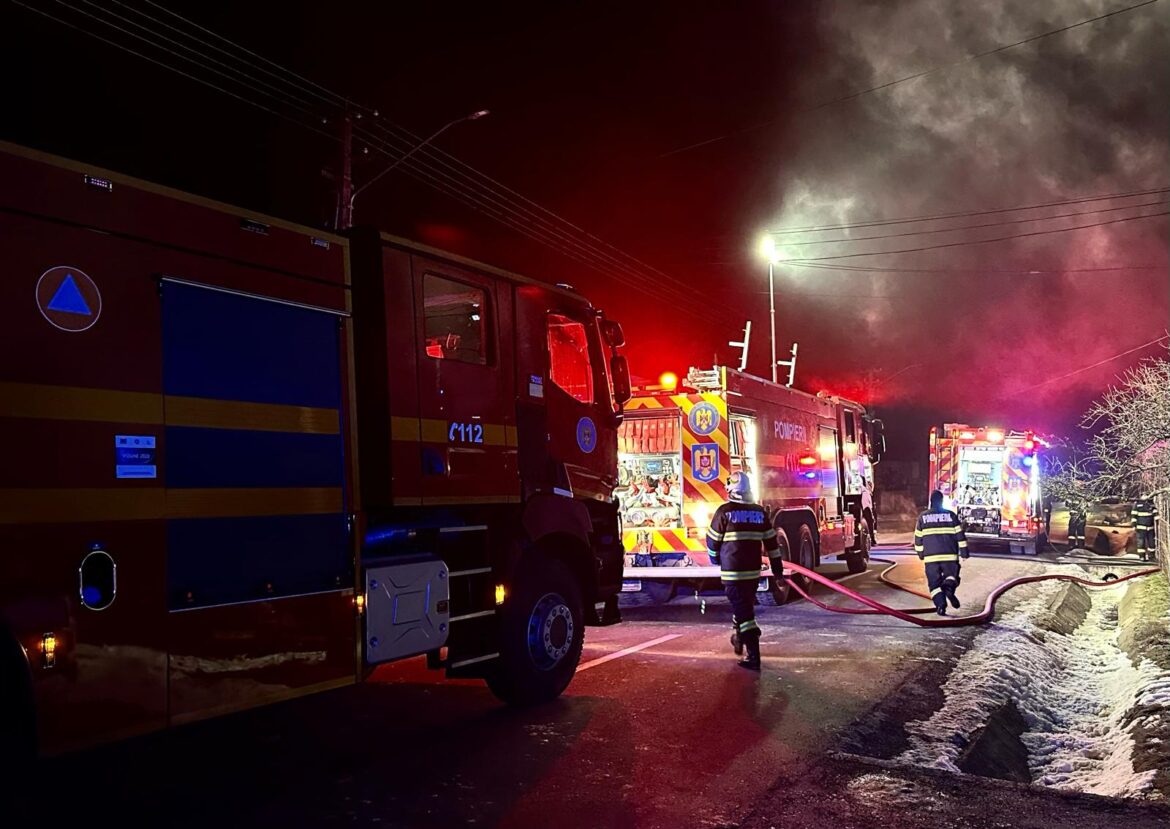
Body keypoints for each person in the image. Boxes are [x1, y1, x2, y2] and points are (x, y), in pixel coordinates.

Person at [706, 471, 779, 670]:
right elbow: (772, 543)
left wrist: (714, 559)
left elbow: (712, 541)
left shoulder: (724, 511)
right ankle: (739, 637)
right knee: (744, 606)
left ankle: (753, 655)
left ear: (731, 489)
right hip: (753, 574)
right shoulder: (759, 512)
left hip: (733, 574)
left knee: (746, 615)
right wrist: (777, 568)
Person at [914, 489, 969, 615]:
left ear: (931, 501)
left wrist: (921, 554)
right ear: (942, 501)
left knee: (934, 585)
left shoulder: (923, 517)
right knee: (952, 577)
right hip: (950, 556)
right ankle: (948, 588)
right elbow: (960, 535)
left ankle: (941, 606)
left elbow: (918, 539)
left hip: (931, 558)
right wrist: (964, 552)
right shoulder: (951, 515)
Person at [1132, 494, 1158, 562]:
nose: (1145, 496)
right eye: (1144, 495)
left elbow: (1155, 511)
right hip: (1141, 527)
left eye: (1146, 495)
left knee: (1152, 543)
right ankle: (1142, 556)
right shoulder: (1137, 504)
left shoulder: (1151, 503)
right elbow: (1134, 516)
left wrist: (1156, 517)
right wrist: (1134, 525)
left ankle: (1151, 556)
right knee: (1141, 543)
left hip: (1150, 527)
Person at [860, 476, 877, 546]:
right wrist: (871, 515)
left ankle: (872, 539)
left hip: (866, 509)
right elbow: (866, 505)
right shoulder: (866, 492)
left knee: (870, 523)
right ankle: (872, 539)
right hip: (866, 509)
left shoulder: (867, 492)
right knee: (870, 523)